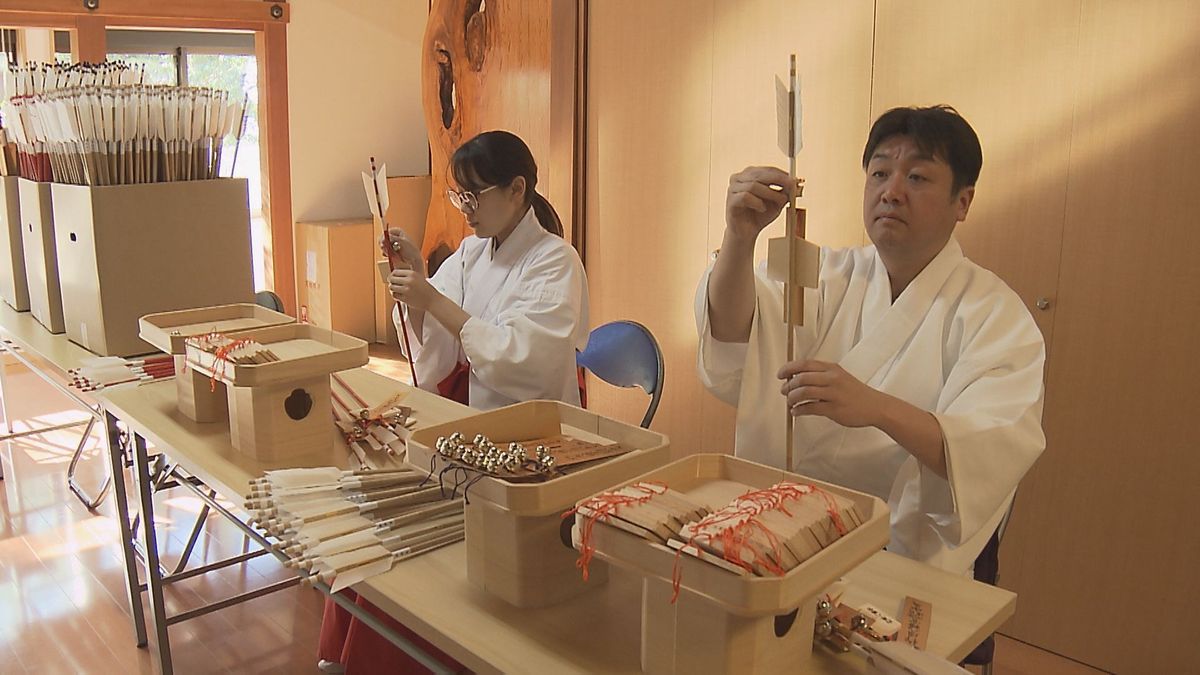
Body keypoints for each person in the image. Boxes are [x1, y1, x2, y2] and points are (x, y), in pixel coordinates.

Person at [696, 105, 1045, 575]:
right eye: (879, 172)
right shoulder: (823, 273)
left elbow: (987, 450)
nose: (892, 192)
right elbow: (737, 334)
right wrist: (739, 238)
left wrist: (875, 407)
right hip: (780, 527)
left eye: (917, 178)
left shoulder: (996, 316)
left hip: (901, 549)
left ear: (962, 202)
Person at [317, 130, 589, 674]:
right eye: (457, 196)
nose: (464, 210)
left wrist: (432, 297)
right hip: (464, 425)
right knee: (377, 523)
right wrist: (418, 278)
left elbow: (523, 359)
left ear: (517, 190)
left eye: (474, 196)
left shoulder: (556, 262)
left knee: (422, 561)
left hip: (525, 443)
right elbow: (432, 341)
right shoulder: (469, 254)